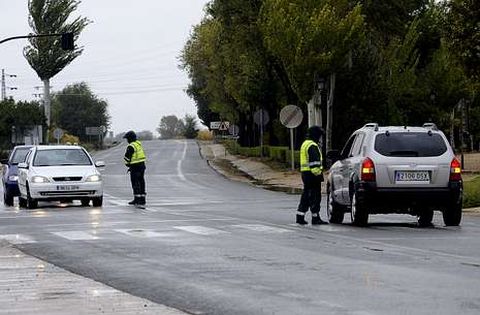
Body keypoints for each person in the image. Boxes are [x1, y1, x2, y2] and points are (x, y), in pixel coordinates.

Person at [296, 126, 328, 225]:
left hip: (305, 174)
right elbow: (314, 163)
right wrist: (318, 174)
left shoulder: (305, 144)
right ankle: (315, 218)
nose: (320, 138)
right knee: (315, 196)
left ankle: (300, 216)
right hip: (313, 175)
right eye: (319, 136)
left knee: (306, 195)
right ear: (316, 135)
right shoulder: (312, 145)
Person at [123, 130, 147, 206]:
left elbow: (127, 158)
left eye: (127, 138)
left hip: (135, 167)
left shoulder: (131, 146)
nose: (127, 140)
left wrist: (128, 165)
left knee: (135, 183)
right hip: (142, 165)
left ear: (130, 138)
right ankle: (142, 199)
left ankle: (137, 199)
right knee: (141, 181)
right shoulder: (138, 144)